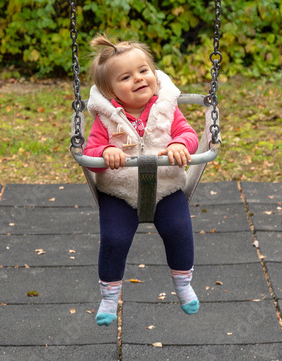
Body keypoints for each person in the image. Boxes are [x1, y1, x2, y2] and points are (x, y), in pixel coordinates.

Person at [83, 34, 200, 327]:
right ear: (110, 92)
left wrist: (180, 145)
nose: (138, 79)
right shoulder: (106, 118)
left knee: (178, 230)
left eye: (143, 71)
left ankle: (184, 284)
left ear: (154, 74)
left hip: (166, 185)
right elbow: (90, 150)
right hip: (119, 190)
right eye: (126, 77)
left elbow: (189, 134)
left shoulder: (167, 108)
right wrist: (106, 150)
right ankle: (109, 298)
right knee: (114, 239)